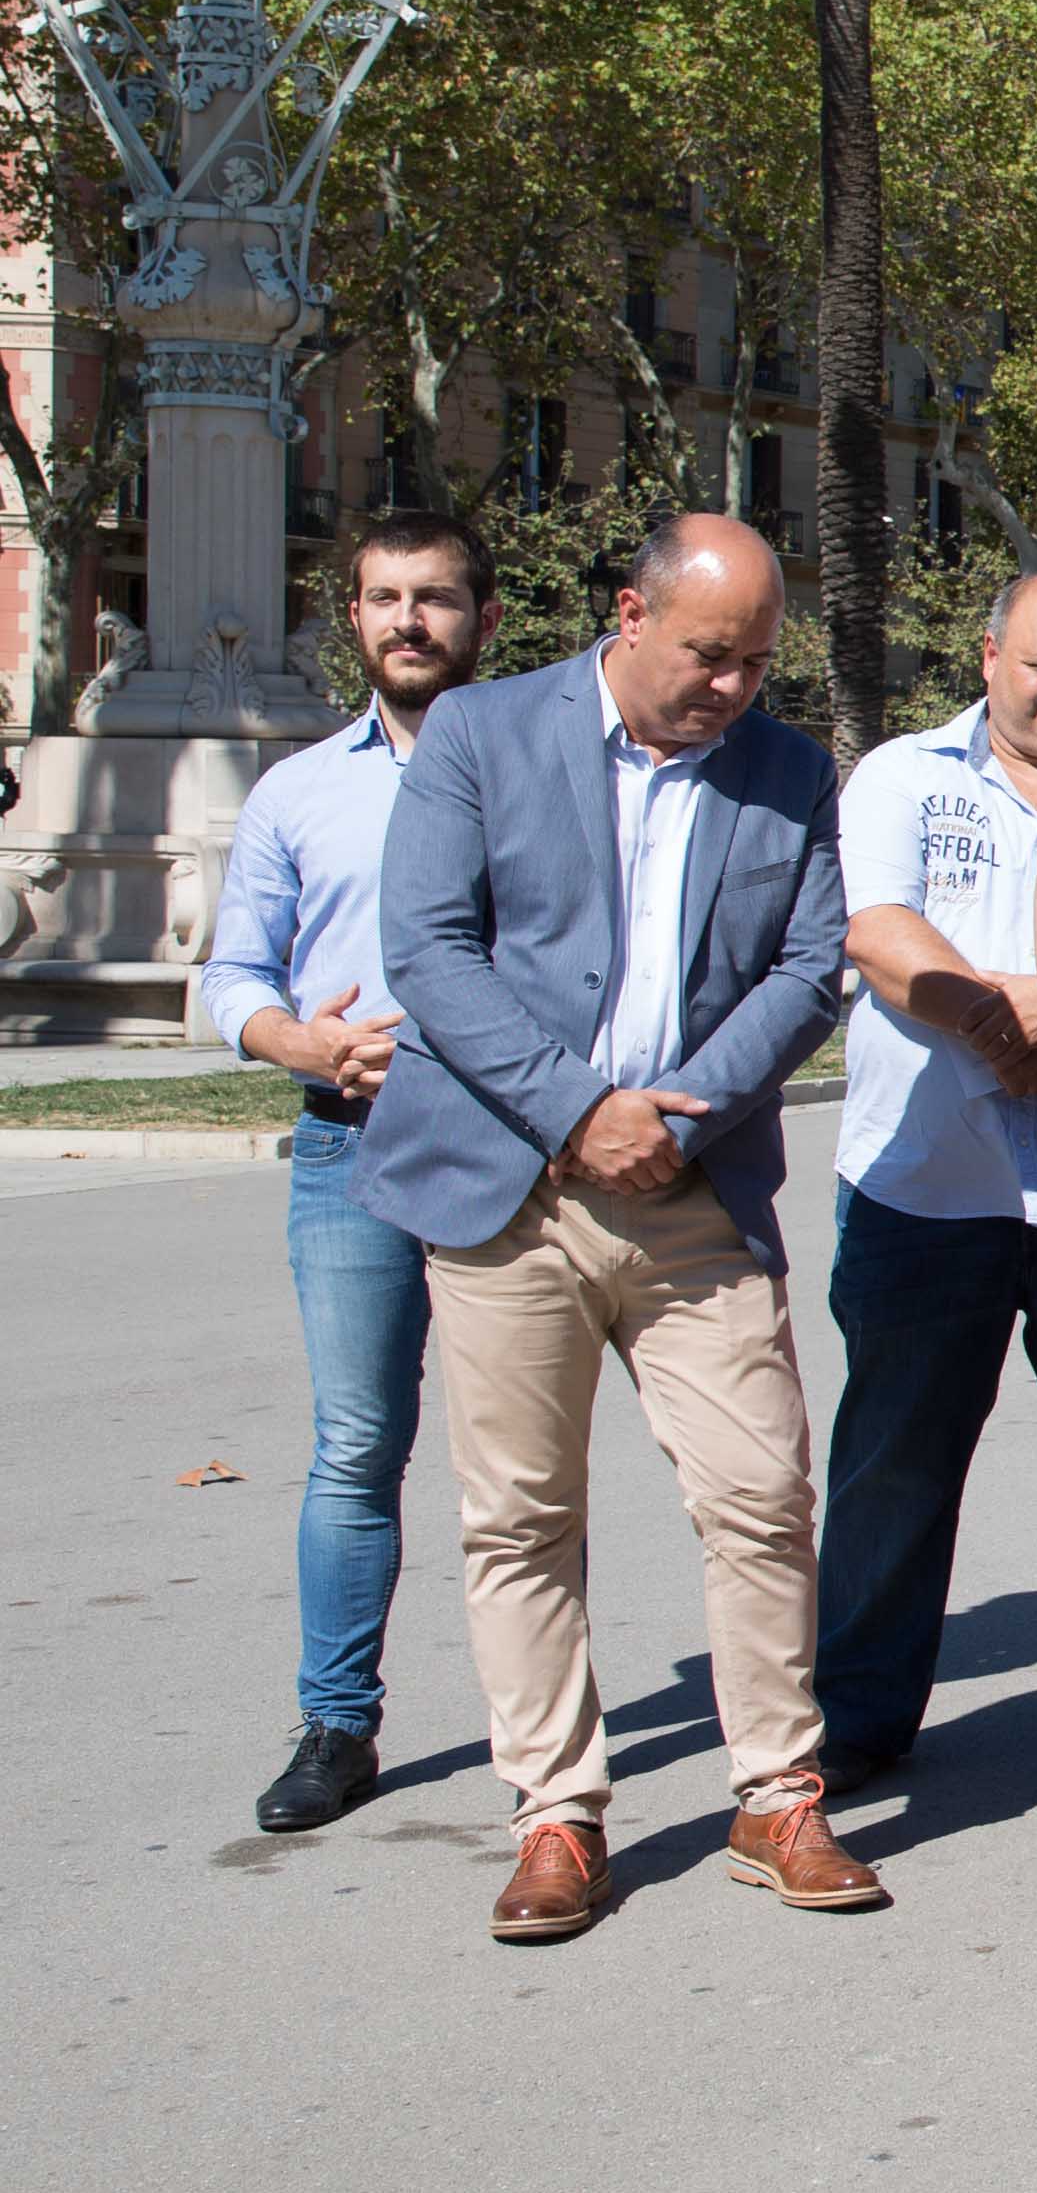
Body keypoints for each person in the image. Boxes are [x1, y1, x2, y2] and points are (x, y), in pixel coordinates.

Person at [363, 511, 876, 1943]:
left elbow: (809, 970)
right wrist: (578, 1109)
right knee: (522, 1514)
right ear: (631, 614)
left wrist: (678, 1120)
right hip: (509, 1191)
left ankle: (777, 1795)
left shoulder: (788, 769)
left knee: (761, 1492)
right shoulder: (482, 733)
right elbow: (430, 951)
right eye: (710, 654)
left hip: (691, 1195)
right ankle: (554, 1814)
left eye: (756, 661)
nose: (732, 686)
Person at [813, 572, 1037, 1794]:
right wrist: (1005, 1021)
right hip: (923, 1189)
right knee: (894, 1462)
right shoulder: (904, 776)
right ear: (991, 656)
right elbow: (878, 927)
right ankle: (856, 1715)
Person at [203, 509, 495, 1835]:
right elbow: (232, 977)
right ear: (355, 616)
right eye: (385, 597)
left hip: (507, 1146)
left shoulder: (536, 770)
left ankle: (547, 1733)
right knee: (358, 1442)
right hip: (348, 1144)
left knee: (521, 1457)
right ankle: (335, 1722)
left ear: (481, 617)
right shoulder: (298, 791)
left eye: (434, 596)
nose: (408, 620)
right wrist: (301, 1042)